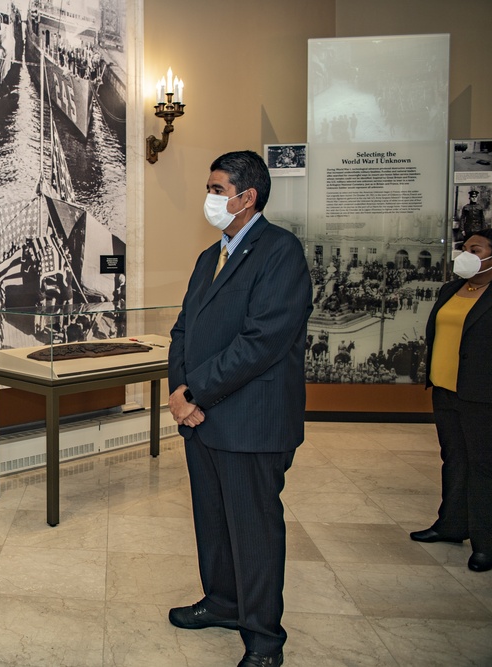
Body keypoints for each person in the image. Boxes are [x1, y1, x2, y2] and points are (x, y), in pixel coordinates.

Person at [166, 150, 312, 667]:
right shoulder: (212, 256)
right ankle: (223, 603)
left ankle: (263, 640)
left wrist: (194, 393)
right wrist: (178, 391)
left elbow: (262, 341)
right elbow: (183, 328)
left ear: (247, 197)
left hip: (250, 422)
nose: (209, 199)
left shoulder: (281, 252)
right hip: (203, 420)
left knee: (253, 531)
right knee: (214, 522)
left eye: (216, 190)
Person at [410, 229, 492, 573]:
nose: (465, 254)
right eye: (464, 247)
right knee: (455, 460)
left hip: (484, 395)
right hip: (446, 390)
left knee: (485, 468)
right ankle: (451, 525)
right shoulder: (452, 289)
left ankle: (487, 542)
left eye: (475, 249)